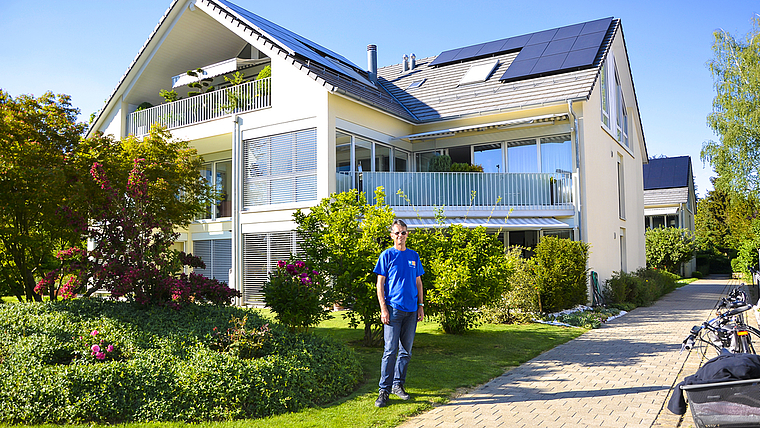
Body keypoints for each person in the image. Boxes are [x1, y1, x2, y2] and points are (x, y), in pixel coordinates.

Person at [373, 219, 424, 407]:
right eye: (397, 233)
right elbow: (380, 284)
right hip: (393, 310)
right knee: (389, 351)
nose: (400, 236)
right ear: (391, 235)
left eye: (403, 232)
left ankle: (398, 385)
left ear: (407, 235)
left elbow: (418, 282)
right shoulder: (386, 255)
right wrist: (383, 308)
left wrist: (421, 305)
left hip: (412, 311)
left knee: (405, 352)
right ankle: (383, 391)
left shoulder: (413, 256)